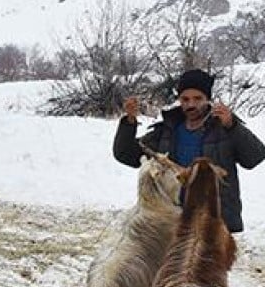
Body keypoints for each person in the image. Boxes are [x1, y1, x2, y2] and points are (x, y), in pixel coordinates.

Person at [113, 68, 265, 233]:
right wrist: (129, 122)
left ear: (208, 99)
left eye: (198, 98)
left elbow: (254, 158)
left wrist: (233, 126)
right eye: (185, 99)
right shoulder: (167, 130)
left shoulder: (223, 128)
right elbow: (126, 154)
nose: (191, 104)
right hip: (173, 218)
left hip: (214, 221)